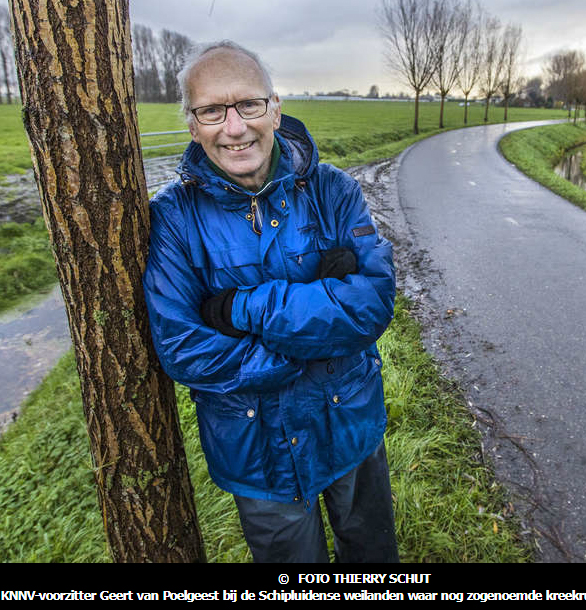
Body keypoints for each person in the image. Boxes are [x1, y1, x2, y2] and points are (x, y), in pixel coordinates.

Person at [142, 40, 399, 563]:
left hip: (349, 419)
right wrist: (317, 334)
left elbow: (371, 304)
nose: (233, 128)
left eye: (248, 106)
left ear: (275, 110)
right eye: (212, 110)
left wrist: (240, 309)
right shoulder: (173, 219)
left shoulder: (334, 192)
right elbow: (184, 349)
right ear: (193, 125)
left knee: (373, 560)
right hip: (258, 451)